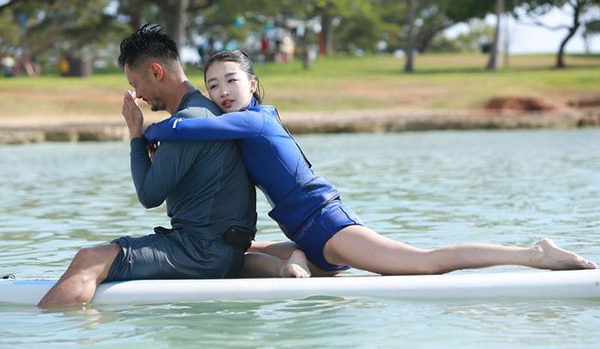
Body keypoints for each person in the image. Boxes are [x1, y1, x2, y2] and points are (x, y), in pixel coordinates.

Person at [144, 49, 598, 276]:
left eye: (231, 81)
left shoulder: (254, 122)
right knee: (238, 255)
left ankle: (534, 254)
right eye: (213, 85)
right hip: (303, 232)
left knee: (425, 263)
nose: (222, 92)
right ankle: (295, 261)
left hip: (324, 223)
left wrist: (148, 130)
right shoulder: (244, 126)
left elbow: (191, 128)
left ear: (253, 83)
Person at [36, 26, 304, 309]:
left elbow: (149, 196)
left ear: (156, 72)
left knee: (89, 259)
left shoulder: (189, 123)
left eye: (135, 83)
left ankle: (41, 337)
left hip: (202, 253)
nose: (137, 95)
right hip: (216, 250)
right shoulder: (200, 114)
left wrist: (135, 134)